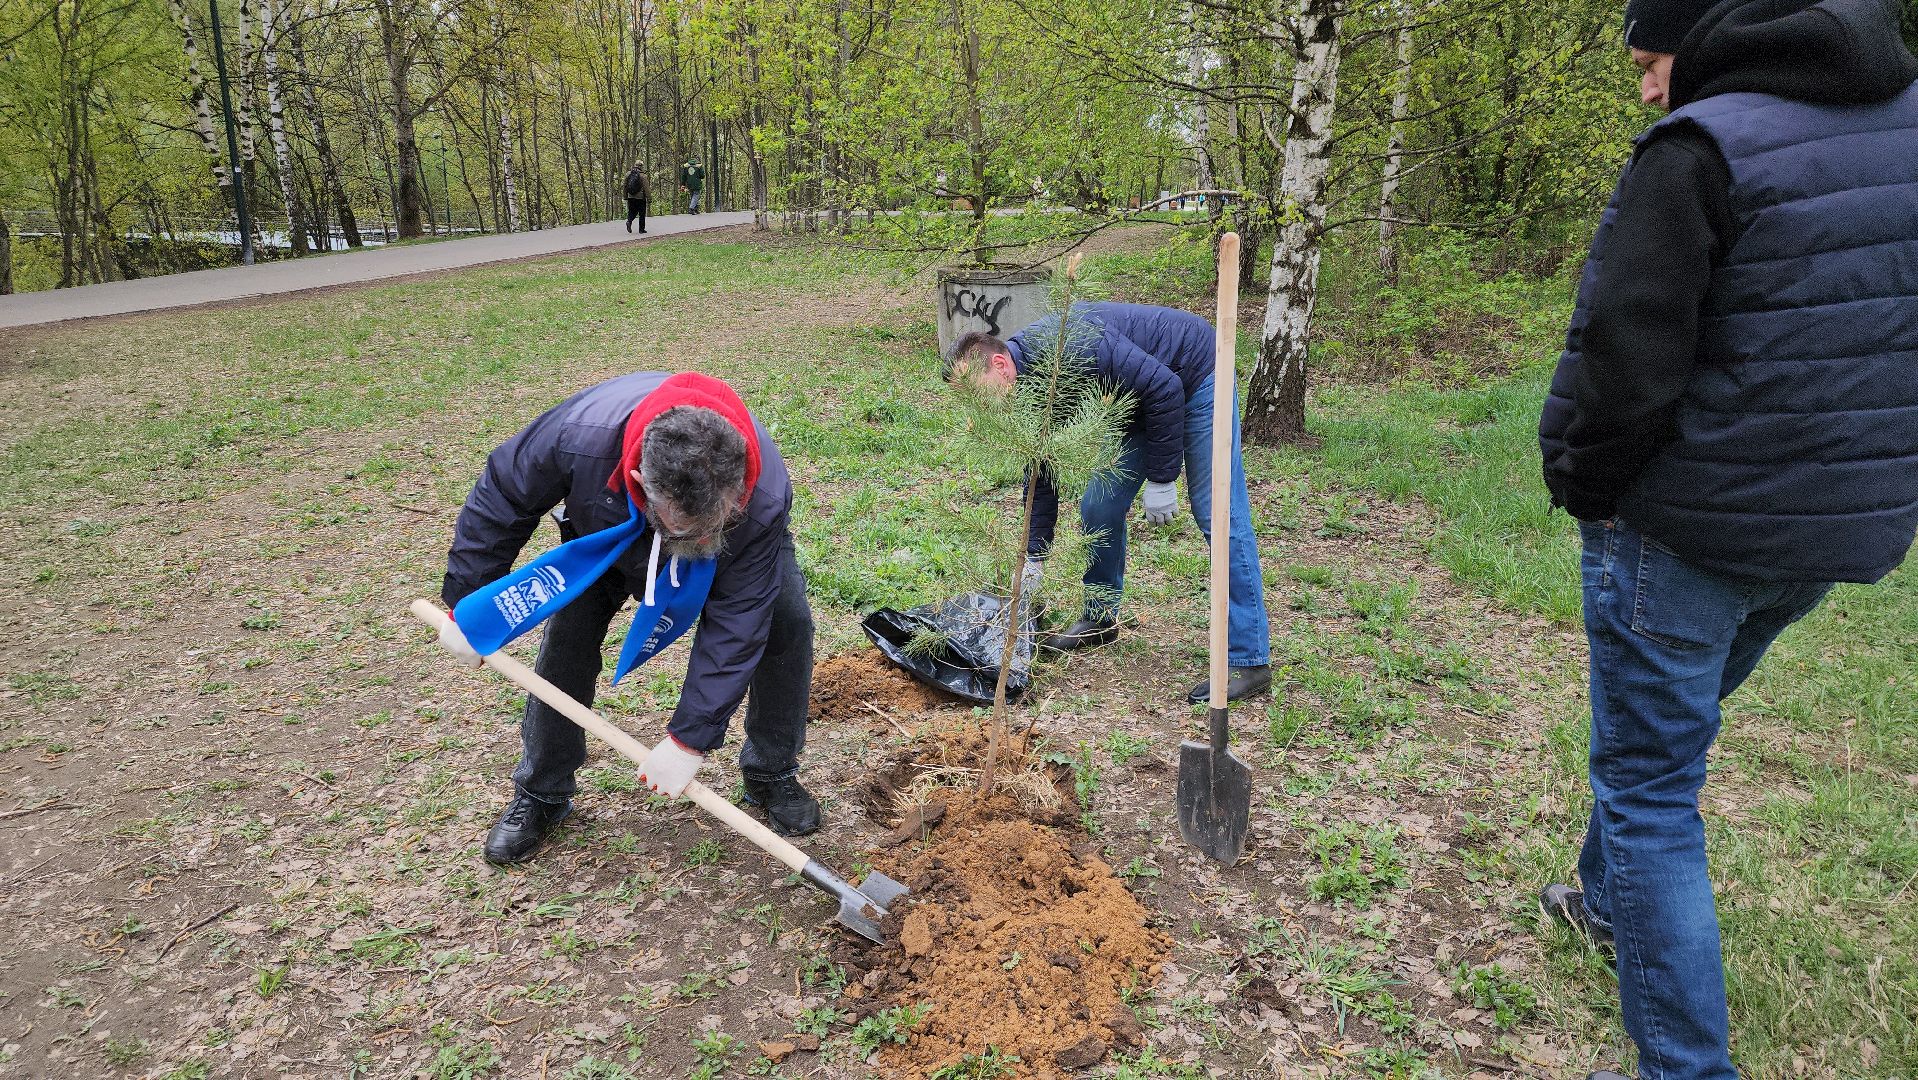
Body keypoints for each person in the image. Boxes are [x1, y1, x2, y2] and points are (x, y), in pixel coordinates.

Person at [1535, 0, 1918, 1076]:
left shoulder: (1702, 147)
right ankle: (1605, 906)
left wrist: (1584, 482)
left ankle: (1683, 1068)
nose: (1649, 88)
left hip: (1682, 532)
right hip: (1833, 534)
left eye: (1653, 62)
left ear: (1707, 34)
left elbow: (1624, 356)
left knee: (1652, 789)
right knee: (1664, 745)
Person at [438, 372, 820, 865]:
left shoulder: (759, 496)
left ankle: (772, 774)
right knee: (568, 642)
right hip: (609, 526)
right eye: (693, 527)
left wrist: (689, 739)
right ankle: (542, 792)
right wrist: (468, 607)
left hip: (739, 547)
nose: (703, 536)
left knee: (785, 622)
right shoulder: (579, 435)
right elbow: (503, 497)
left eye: (716, 520)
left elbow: (739, 620)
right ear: (642, 479)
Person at [944, 302, 1272, 704]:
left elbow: (1165, 386)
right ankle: (1099, 618)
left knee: (1218, 514)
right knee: (1099, 506)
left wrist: (1162, 478)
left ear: (999, 363)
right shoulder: (1029, 387)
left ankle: (1248, 657)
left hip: (1198, 374)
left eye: (975, 391)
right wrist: (1034, 554)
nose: (976, 404)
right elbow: (1043, 467)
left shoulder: (1075, 347)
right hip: (1143, 399)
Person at [623, 161, 648, 233]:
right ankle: (641, 229)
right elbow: (646, 188)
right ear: (641, 166)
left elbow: (625, 186)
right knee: (642, 213)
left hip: (630, 196)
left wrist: (625, 196)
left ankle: (629, 221)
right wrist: (649, 198)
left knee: (631, 211)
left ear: (635, 165)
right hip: (640, 198)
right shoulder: (643, 176)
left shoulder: (628, 174)